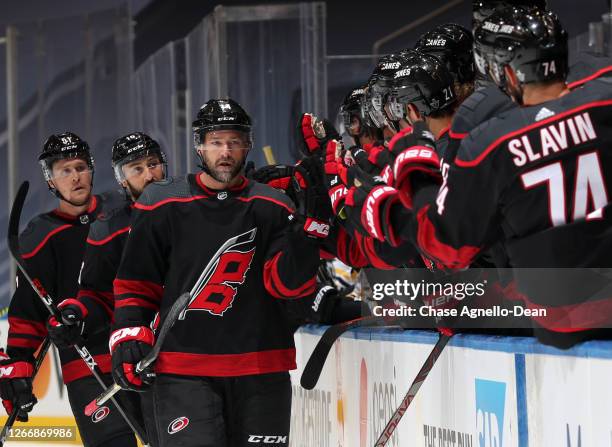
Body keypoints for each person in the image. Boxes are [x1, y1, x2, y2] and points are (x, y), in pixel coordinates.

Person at [340, 5, 612, 348]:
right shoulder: (604, 98)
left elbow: (449, 247)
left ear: (507, 74)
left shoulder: (489, 141)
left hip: (562, 322)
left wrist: (402, 200)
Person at [110, 98, 322, 446]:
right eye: (216, 142)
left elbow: (289, 290)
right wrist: (129, 337)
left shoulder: (273, 206)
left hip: (261, 369)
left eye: (234, 142)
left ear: (248, 145)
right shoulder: (161, 203)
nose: (225, 151)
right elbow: (136, 283)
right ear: (199, 146)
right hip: (183, 371)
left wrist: (306, 235)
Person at [0, 132, 144, 446]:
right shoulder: (39, 236)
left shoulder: (121, 210)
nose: (75, 177)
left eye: (80, 166)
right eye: (64, 171)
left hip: (141, 352)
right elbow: (28, 311)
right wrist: (18, 366)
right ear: (50, 181)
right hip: (85, 364)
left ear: (92, 169)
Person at [46, 132, 167, 446]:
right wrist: (76, 314)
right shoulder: (108, 230)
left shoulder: (193, 212)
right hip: (138, 358)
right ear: (122, 179)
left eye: (153, 164)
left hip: (191, 359)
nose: (149, 174)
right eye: (136, 169)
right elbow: (96, 295)